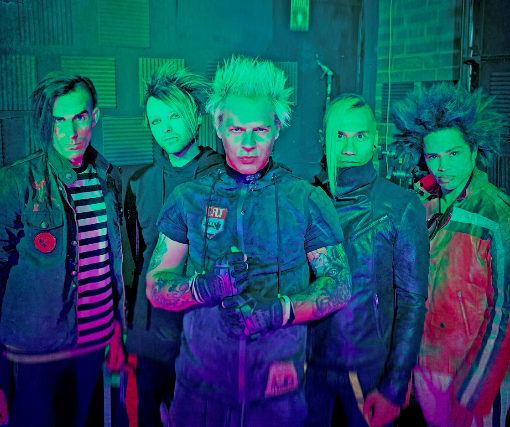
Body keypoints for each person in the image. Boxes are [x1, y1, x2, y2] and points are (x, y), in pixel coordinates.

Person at [145, 55, 352, 427]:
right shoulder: (188, 198)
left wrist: (279, 311)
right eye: (236, 129)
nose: (248, 143)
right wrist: (201, 288)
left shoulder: (306, 199)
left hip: (277, 398)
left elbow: (338, 284)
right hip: (200, 395)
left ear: (277, 128)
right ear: (218, 126)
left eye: (260, 130)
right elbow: (156, 286)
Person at [0, 72, 124, 426]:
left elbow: (111, 264)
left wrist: (117, 331)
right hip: (36, 352)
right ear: (48, 122)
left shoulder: (109, 178)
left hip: (95, 344)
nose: (71, 132)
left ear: (94, 117)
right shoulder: (17, 182)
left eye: (79, 117)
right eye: (59, 120)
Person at [305, 94, 429, 427]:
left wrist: (394, 388)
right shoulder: (306, 199)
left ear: (375, 139)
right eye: (340, 135)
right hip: (309, 367)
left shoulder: (401, 205)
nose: (349, 146)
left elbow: (412, 303)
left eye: (359, 135)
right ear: (325, 138)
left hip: (368, 369)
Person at [391, 83, 510, 427]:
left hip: (474, 372)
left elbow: (505, 312)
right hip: (425, 368)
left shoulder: (497, 215)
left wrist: (476, 390)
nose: (443, 166)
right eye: (433, 156)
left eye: (453, 154)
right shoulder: (422, 209)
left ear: (473, 151)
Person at [124, 63, 224, 426]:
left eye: (174, 116)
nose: (165, 128)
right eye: (156, 121)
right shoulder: (139, 183)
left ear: (195, 117)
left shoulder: (225, 176)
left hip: (208, 331)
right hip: (152, 333)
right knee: (149, 416)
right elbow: (135, 262)